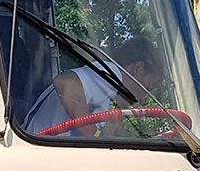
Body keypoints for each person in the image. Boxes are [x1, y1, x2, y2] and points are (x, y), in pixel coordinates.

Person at [21, 36, 170, 137]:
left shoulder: (108, 95)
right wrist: (93, 136)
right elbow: (65, 82)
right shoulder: (112, 73)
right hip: (39, 154)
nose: (142, 98)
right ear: (137, 68)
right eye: (147, 88)